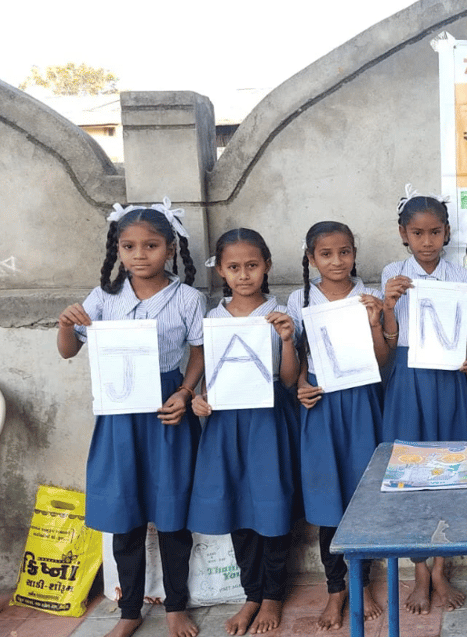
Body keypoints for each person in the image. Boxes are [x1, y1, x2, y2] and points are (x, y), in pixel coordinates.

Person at [57, 199, 204, 637]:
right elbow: (70, 349)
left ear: (171, 248)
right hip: (120, 417)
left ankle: (177, 605)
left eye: (152, 245)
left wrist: (184, 392)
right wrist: (66, 325)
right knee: (127, 517)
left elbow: (198, 350)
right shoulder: (103, 299)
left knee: (173, 515)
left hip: (166, 413)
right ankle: (130, 610)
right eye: (129, 246)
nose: (140, 254)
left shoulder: (187, 299)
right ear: (117, 250)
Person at [186, 228, 299, 635]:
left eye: (252, 265)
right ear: (221, 271)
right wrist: (199, 400)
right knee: (237, 505)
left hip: (268, 420)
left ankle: (273, 595)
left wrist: (287, 339)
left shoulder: (281, 313)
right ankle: (251, 593)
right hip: (226, 424)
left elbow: (288, 380)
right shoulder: (212, 320)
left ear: (266, 265)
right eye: (234, 267)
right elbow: (209, 379)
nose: (244, 274)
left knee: (271, 503)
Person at [380, 186, 467, 615]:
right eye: (417, 233)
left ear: (447, 233)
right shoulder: (392, 274)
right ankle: (418, 568)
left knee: (451, 468)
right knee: (409, 470)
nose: (426, 242)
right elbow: (389, 338)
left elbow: (465, 335)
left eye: (435, 232)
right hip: (408, 379)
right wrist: (388, 304)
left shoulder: (461, 277)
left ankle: (441, 567)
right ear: (404, 233)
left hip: (448, 382)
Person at [287, 221, 389, 629]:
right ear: (311, 259)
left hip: (361, 403)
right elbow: (292, 358)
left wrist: (375, 322)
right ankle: (336, 589)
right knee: (328, 502)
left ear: (354, 254)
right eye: (326, 254)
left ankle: (361, 583)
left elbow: (382, 361)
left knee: (361, 495)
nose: (336, 261)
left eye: (344, 252)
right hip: (320, 406)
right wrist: (299, 384)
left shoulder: (369, 296)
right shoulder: (300, 299)